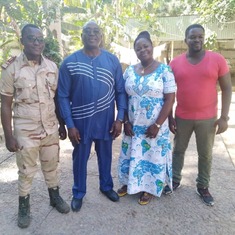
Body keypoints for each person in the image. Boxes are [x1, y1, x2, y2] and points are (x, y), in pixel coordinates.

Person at [0, 24, 70, 228]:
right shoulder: (12, 69)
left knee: (52, 165)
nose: (37, 42)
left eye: (40, 39)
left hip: (49, 127)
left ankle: (54, 197)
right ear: (23, 41)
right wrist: (9, 136)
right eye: (32, 38)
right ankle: (24, 207)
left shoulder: (51, 67)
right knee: (26, 170)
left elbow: (56, 99)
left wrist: (61, 124)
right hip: (25, 130)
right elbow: (5, 104)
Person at [57, 21, 127, 212]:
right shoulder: (70, 62)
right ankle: (78, 192)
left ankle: (106, 187)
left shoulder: (112, 61)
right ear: (81, 36)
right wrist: (69, 124)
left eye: (96, 31)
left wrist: (120, 118)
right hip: (81, 123)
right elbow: (62, 95)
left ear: (101, 36)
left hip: (106, 122)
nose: (92, 34)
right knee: (80, 158)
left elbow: (120, 92)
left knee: (105, 156)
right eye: (87, 31)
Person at [163, 24, 232, 206]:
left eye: (200, 36)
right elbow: (169, 94)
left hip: (208, 119)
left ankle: (203, 186)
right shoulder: (175, 63)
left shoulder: (217, 60)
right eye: (193, 37)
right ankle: (174, 180)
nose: (197, 40)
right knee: (178, 150)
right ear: (185, 40)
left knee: (205, 154)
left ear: (204, 38)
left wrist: (224, 117)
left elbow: (226, 88)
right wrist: (170, 117)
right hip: (182, 117)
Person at [117, 31, 176, 205]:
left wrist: (157, 125)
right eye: (138, 48)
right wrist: (126, 121)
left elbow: (170, 98)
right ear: (134, 51)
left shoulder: (165, 70)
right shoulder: (129, 71)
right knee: (131, 154)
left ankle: (148, 188)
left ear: (152, 47)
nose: (142, 50)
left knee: (152, 156)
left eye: (146, 46)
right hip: (133, 124)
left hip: (155, 126)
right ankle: (129, 183)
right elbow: (122, 97)